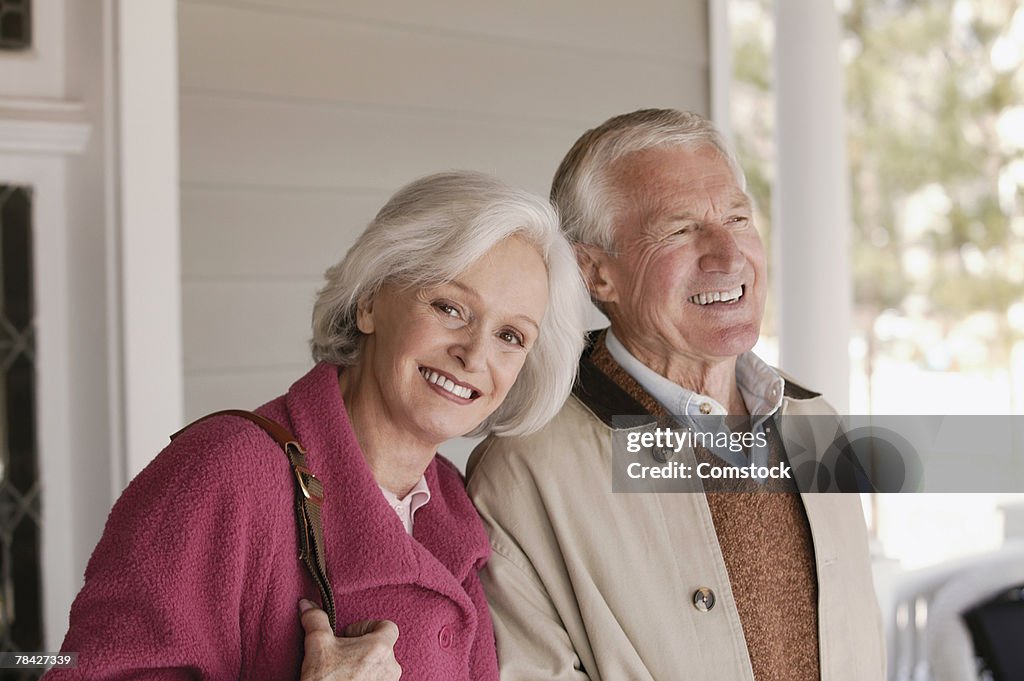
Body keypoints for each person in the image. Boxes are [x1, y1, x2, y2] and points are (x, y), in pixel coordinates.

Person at [53, 170, 588, 681]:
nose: (474, 355)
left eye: (511, 337)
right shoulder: (228, 469)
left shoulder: (450, 503)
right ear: (369, 302)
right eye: (450, 307)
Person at [466, 109, 886, 680]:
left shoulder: (817, 423)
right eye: (680, 230)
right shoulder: (526, 468)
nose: (728, 255)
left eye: (737, 218)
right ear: (595, 273)